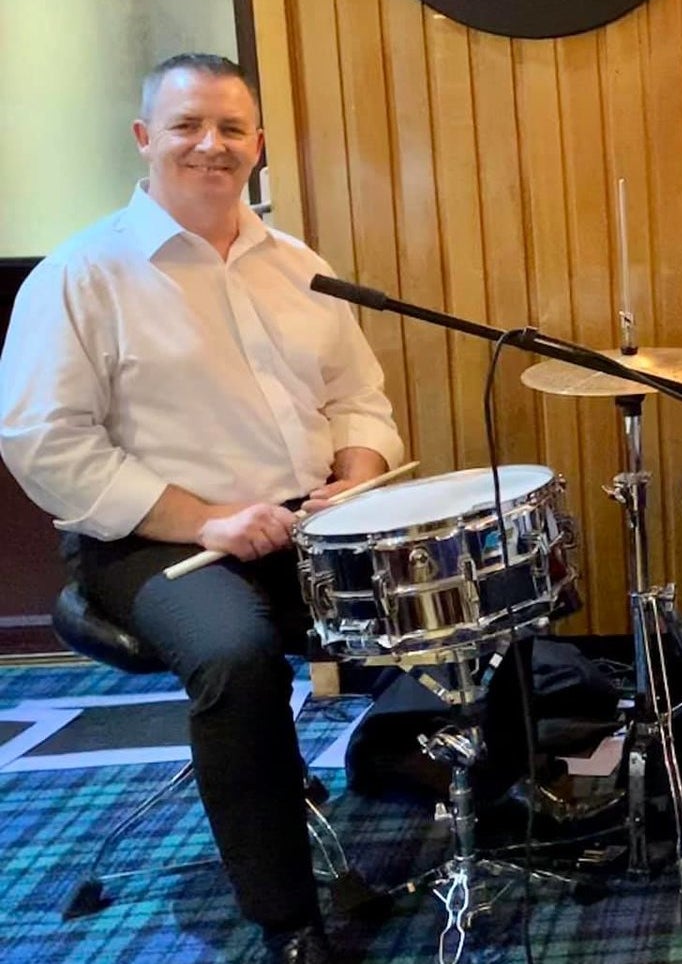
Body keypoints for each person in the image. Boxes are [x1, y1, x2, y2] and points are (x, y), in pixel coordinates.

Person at [0, 54, 406, 963]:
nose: (210, 145)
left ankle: (423, 775)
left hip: (302, 520)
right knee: (237, 655)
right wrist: (207, 519)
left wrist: (356, 466)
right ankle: (289, 920)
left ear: (257, 147)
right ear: (146, 139)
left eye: (231, 128)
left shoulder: (296, 264)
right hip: (148, 541)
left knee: (449, 592)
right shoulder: (81, 276)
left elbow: (357, 394)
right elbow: (47, 444)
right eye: (187, 126)